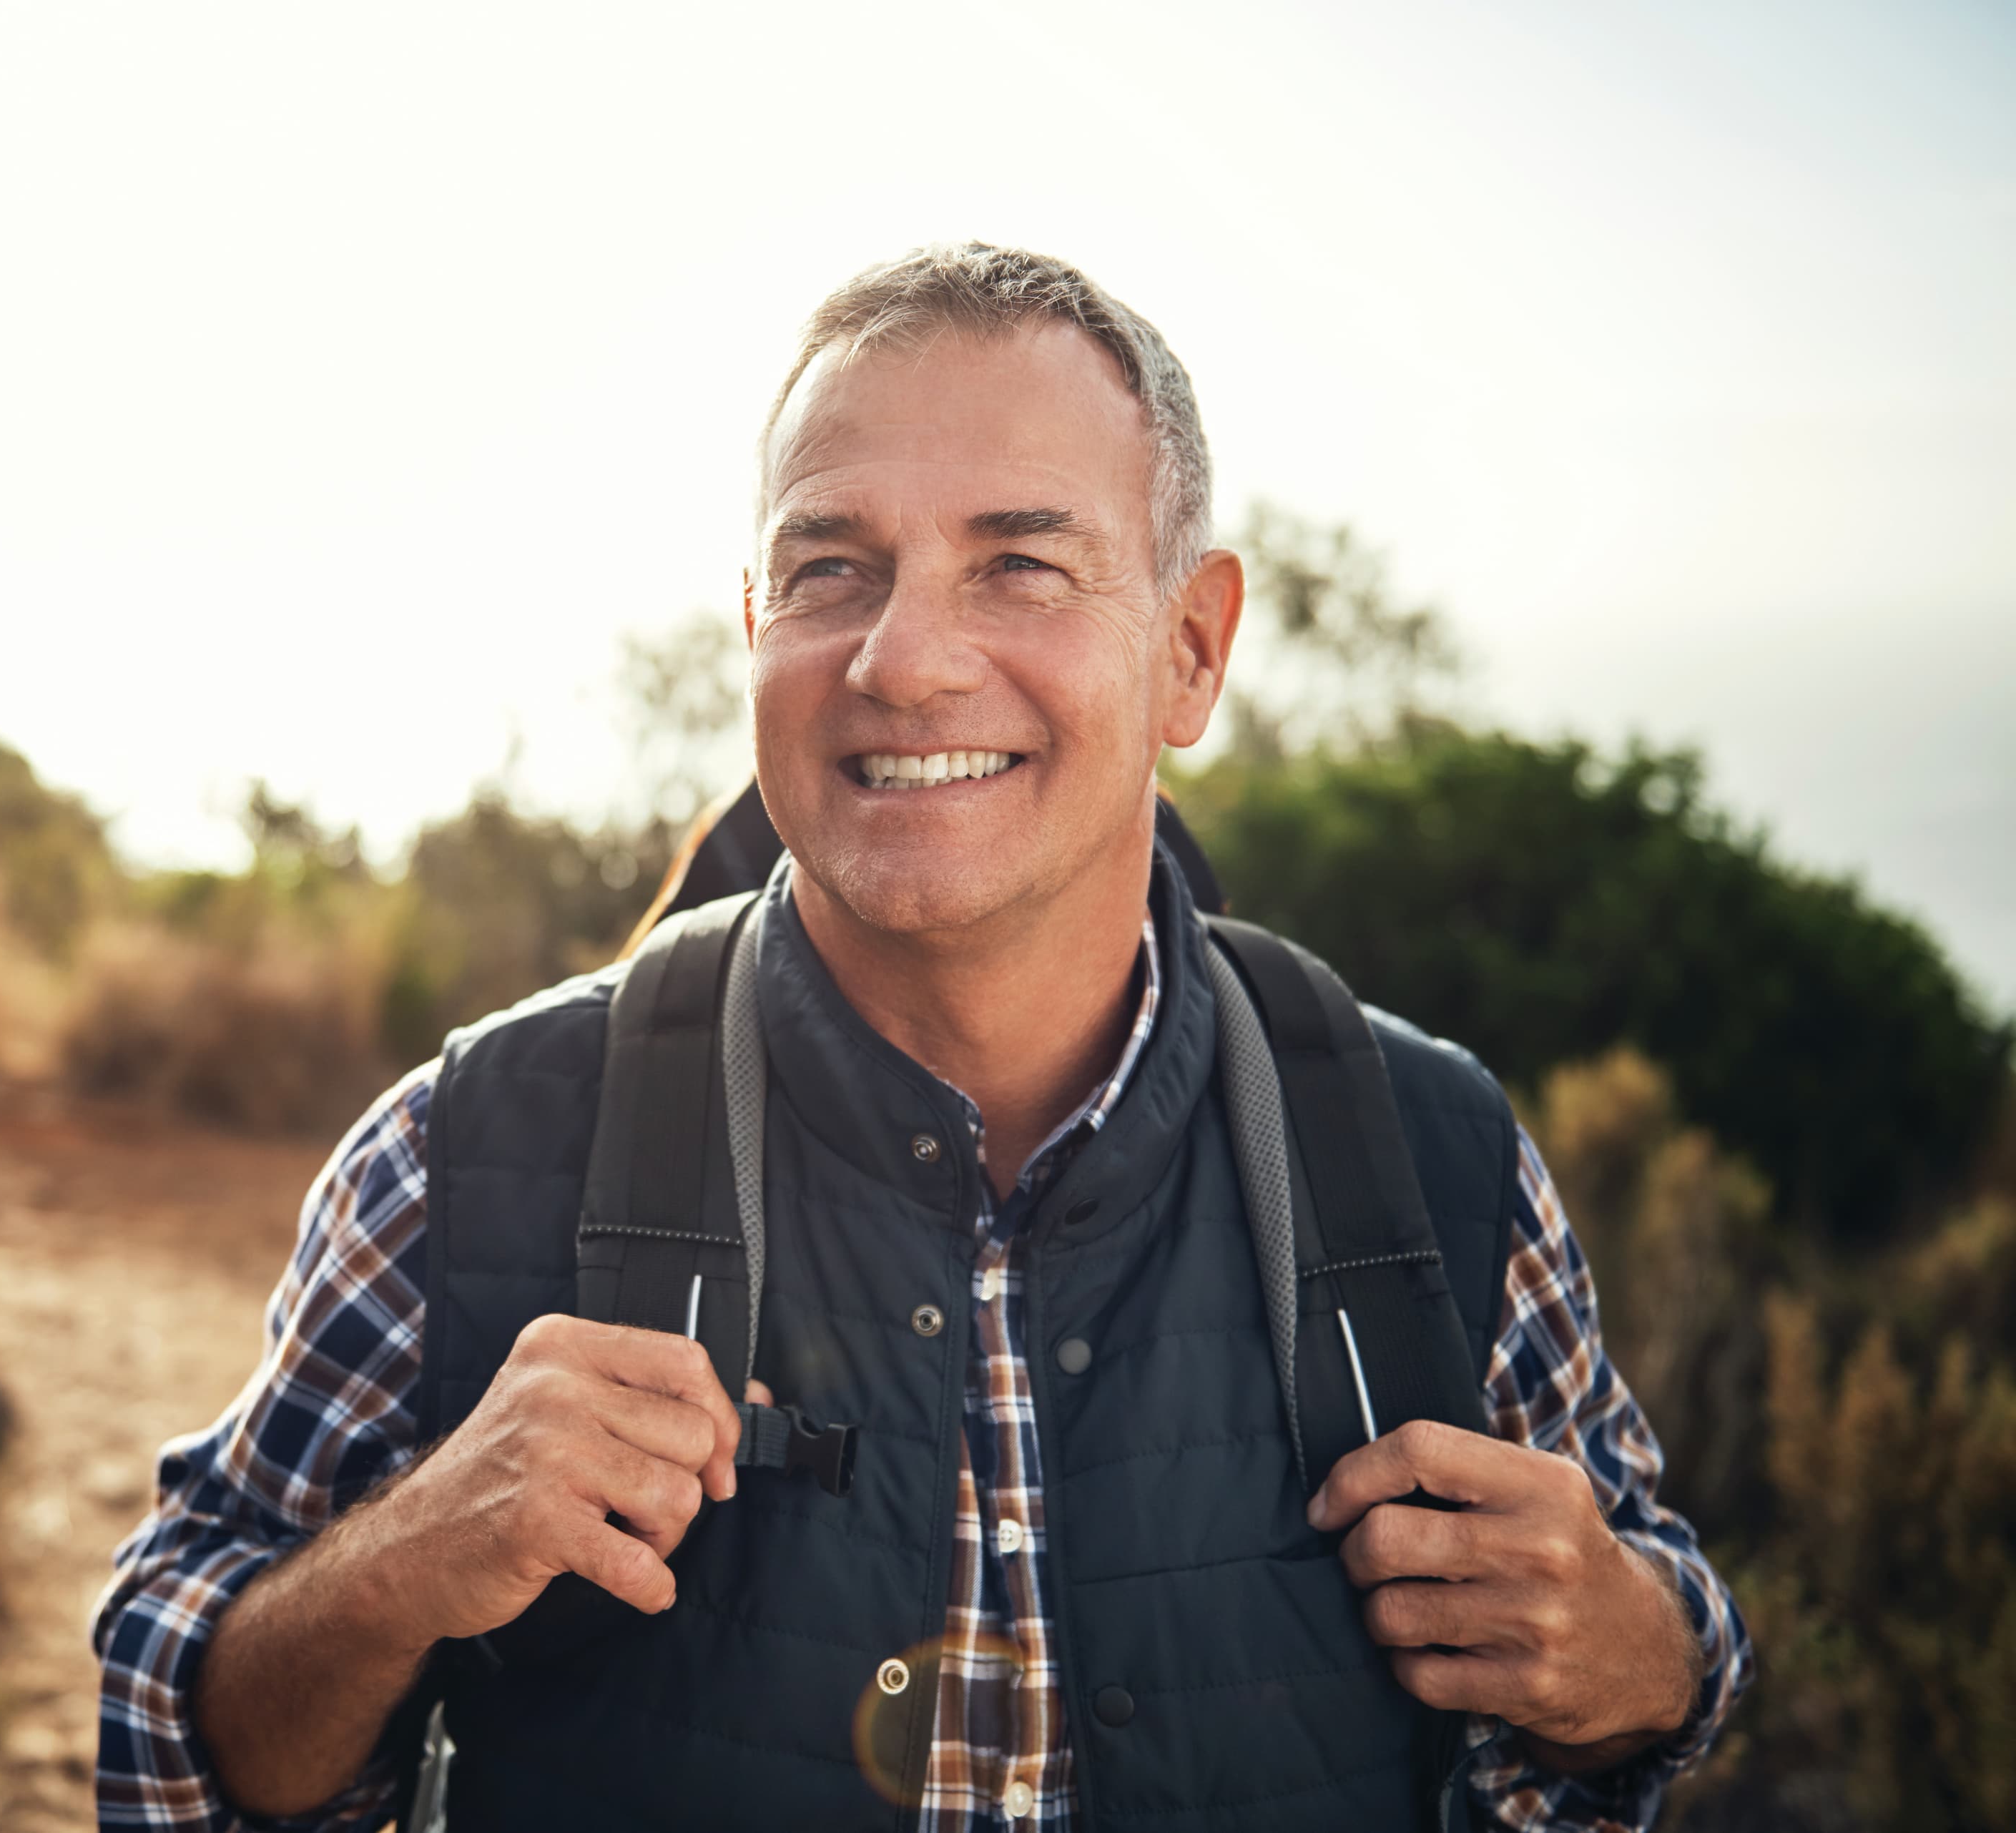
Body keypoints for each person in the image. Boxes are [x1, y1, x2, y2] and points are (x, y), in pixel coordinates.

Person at [92, 243, 1751, 1831]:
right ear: (757, 628)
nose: (904, 658)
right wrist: (399, 1563)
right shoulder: (461, 1148)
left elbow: (1639, 1672)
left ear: (1191, 646)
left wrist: (1645, 1655)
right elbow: (182, 1750)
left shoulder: (1433, 1154)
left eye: (1018, 564)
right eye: (833, 570)